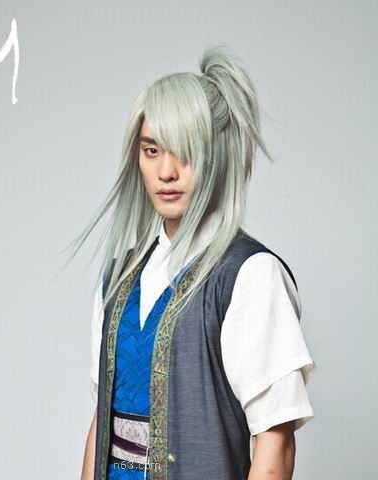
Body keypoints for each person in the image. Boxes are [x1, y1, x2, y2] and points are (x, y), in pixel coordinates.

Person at [77, 44, 316, 480]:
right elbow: (101, 421)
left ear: (215, 154)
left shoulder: (249, 275)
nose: (166, 172)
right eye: (152, 150)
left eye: (183, 151)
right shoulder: (118, 279)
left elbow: (276, 442)